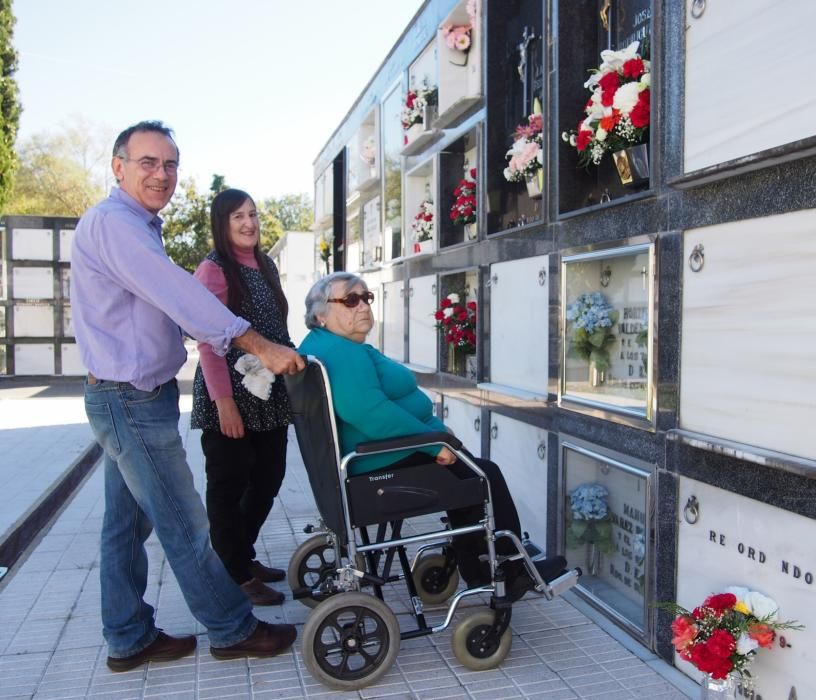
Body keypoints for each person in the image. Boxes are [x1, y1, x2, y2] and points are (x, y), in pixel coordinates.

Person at [70, 121, 301, 672]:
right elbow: (180, 295)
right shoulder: (115, 224)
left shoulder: (139, 225)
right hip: (127, 400)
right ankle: (231, 627)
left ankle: (128, 637)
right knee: (183, 522)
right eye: (148, 162)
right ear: (118, 166)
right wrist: (255, 344)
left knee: (125, 528)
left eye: (171, 164)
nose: (162, 174)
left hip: (132, 397)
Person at [296, 271, 566, 599]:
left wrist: (432, 435)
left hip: (383, 452)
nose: (363, 306)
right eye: (350, 300)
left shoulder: (332, 344)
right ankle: (510, 571)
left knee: (466, 476)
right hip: (381, 459)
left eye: (366, 298)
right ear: (320, 314)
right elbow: (369, 412)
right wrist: (431, 442)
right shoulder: (342, 352)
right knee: (485, 476)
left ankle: (477, 563)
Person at [191, 189, 292, 606]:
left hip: (269, 393)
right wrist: (224, 404)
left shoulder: (266, 263)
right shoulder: (214, 270)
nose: (249, 223)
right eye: (238, 216)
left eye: (253, 214)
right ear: (223, 223)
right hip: (230, 395)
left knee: (269, 478)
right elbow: (207, 341)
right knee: (228, 486)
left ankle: (240, 556)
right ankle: (232, 572)